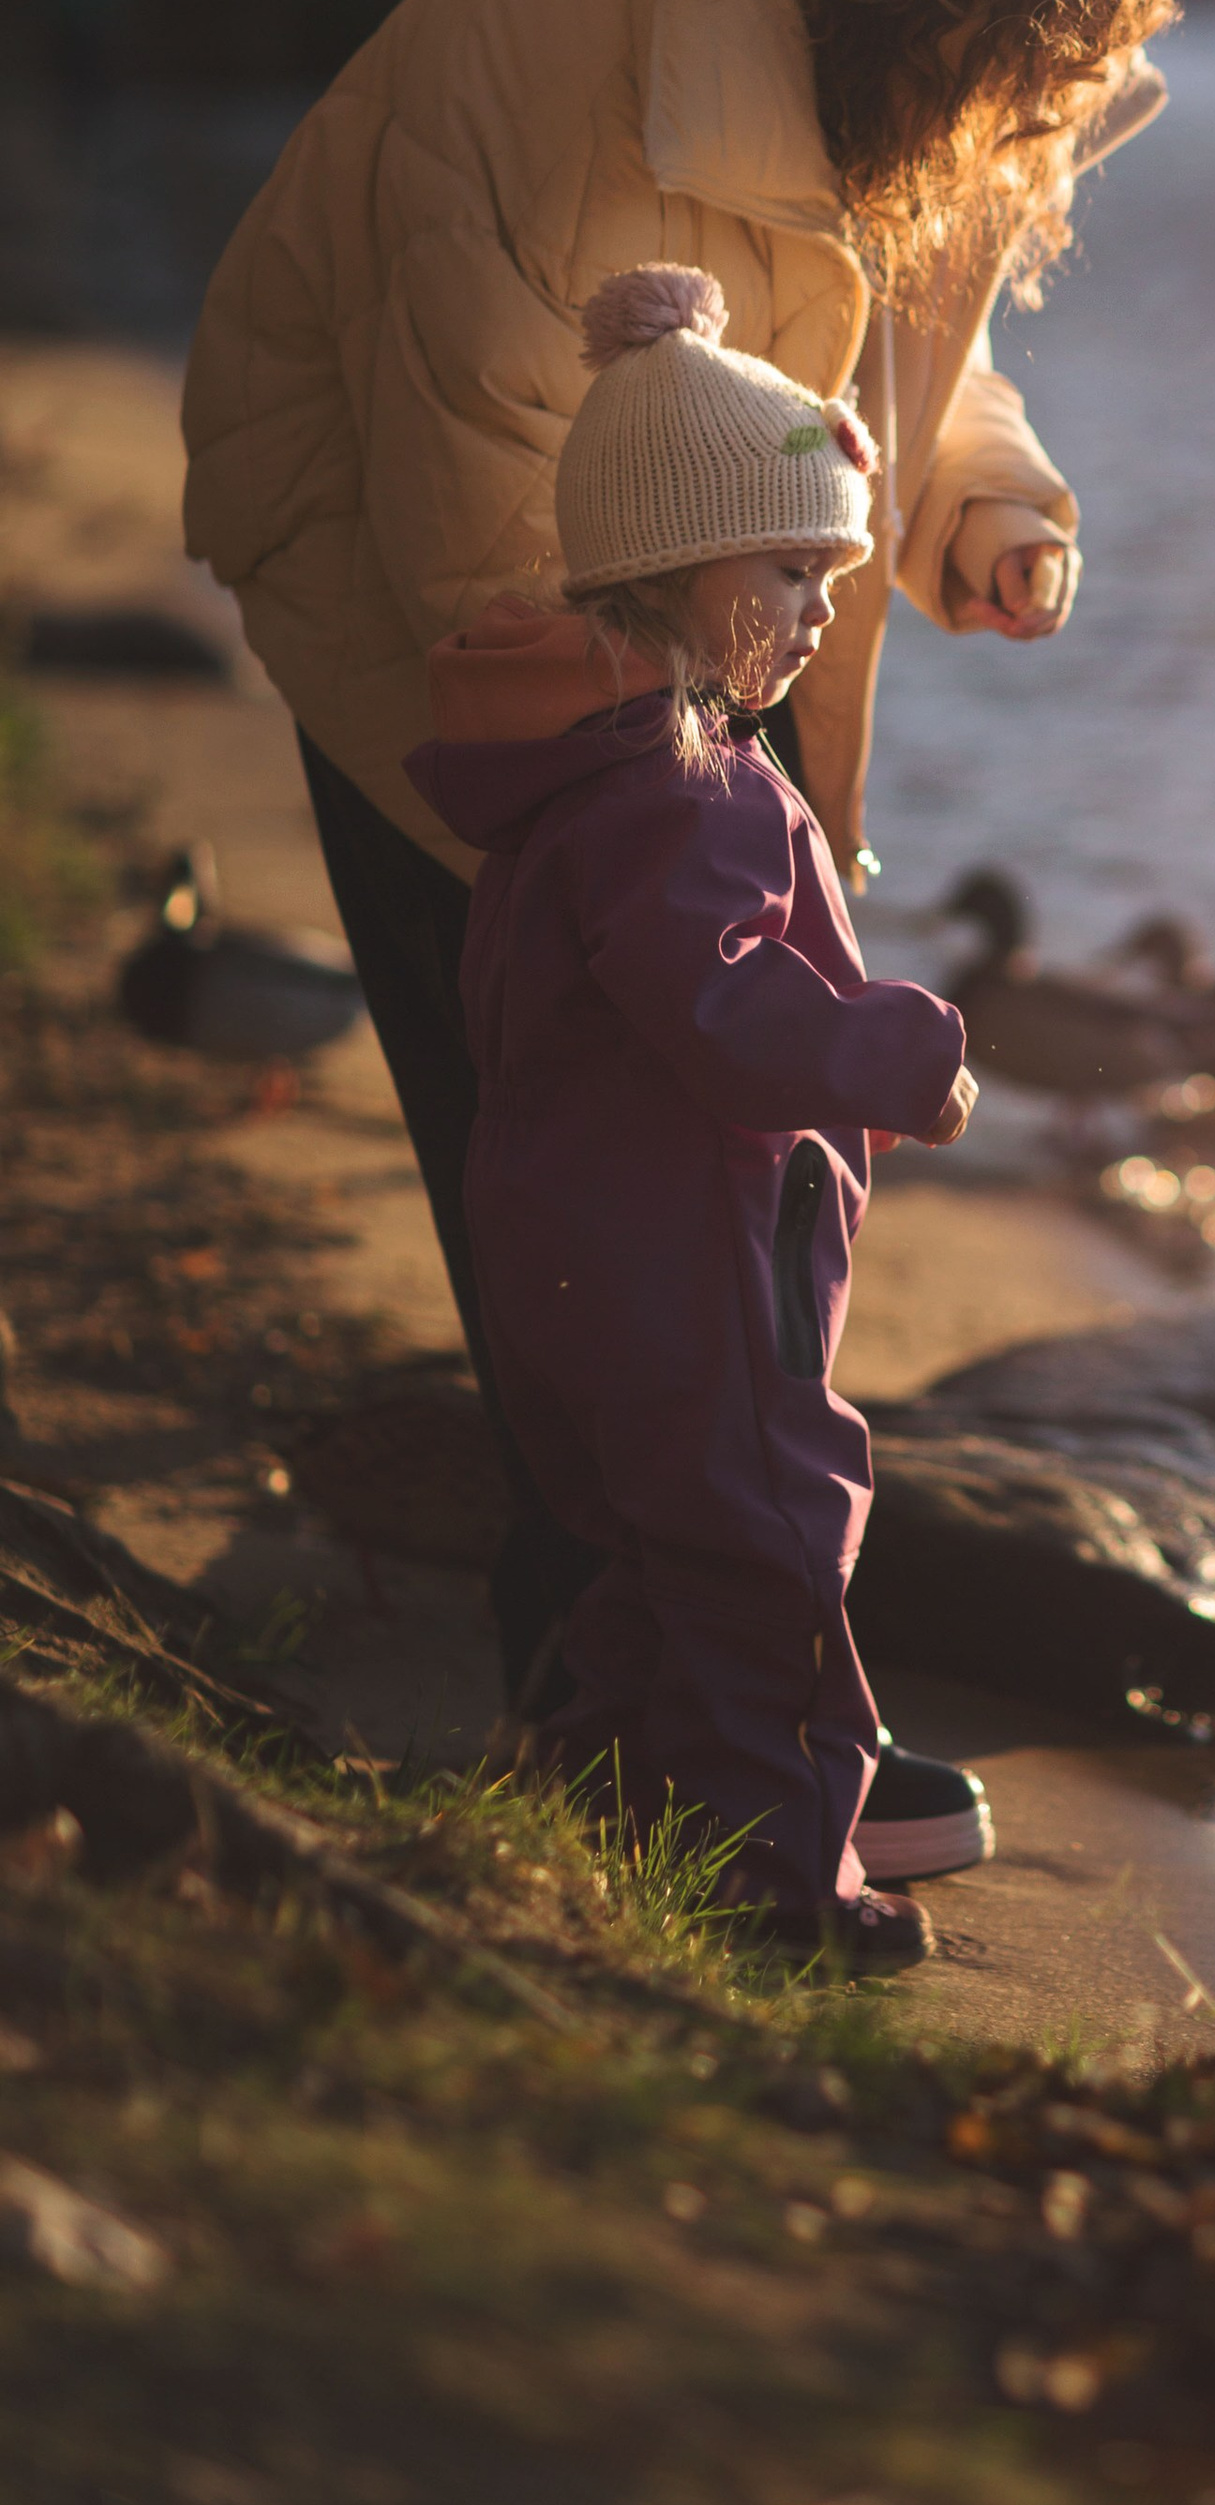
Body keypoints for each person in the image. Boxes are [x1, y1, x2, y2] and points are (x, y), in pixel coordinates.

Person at [183, 0, 1187, 1764]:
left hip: (680, 626)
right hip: (415, 603)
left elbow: (902, 385)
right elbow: (477, 548)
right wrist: (714, 839)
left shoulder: (925, 116)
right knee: (556, 1176)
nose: (1047, 113)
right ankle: (613, 1698)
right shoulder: (546, 87)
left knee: (721, 1183)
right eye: (1034, 66)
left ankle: (720, 1674)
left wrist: (985, 515)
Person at [405, 265, 974, 1965]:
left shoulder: (573, 777)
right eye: (787, 569)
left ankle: (593, 1814)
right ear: (668, 567)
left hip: (579, 1269)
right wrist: (899, 1052)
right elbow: (722, 1013)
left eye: (830, 571)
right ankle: (777, 1893)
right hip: (686, 1277)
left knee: (648, 1563)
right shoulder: (683, 792)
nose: (816, 608)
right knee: (764, 1562)